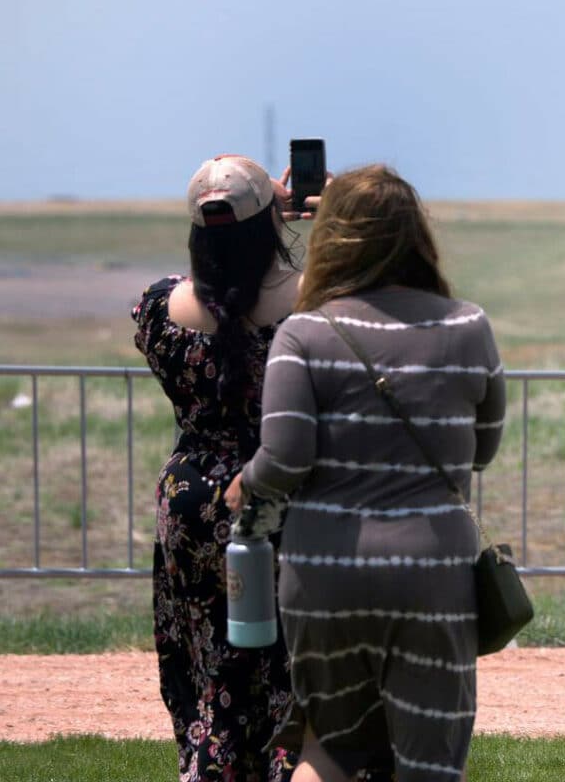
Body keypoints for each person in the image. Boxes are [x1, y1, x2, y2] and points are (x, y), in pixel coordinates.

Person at [224, 164, 507, 781]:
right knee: (429, 758)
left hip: (325, 575)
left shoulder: (304, 333)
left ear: (332, 240)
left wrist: (244, 484)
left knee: (328, 749)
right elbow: (481, 452)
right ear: (417, 236)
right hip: (432, 573)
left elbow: (287, 458)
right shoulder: (467, 327)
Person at [132, 154, 306, 781]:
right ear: (270, 222)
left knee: (213, 670)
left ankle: (210, 764)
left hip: (190, 498)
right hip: (281, 496)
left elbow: (206, 294)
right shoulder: (308, 306)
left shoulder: (159, 310)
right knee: (289, 670)